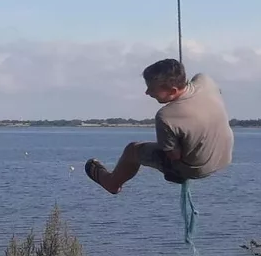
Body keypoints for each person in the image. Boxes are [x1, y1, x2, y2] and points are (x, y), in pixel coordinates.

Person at [84, 58, 233, 193]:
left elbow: (174, 155)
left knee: (132, 150)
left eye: (153, 89)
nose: (147, 92)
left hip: (196, 170)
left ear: (173, 90)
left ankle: (112, 183)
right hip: (224, 158)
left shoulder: (165, 116)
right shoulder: (205, 81)